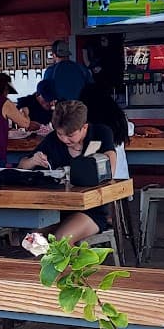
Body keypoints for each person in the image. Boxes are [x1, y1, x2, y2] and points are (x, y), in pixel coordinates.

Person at [20, 99, 118, 243]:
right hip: (57, 209)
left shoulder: (100, 133)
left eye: (70, 135)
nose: (65, 139)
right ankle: (46, 263)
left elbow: (111, 168)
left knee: (61, 240)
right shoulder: (53, 140)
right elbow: (22, 166)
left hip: (91, 209)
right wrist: (33, 160)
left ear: (84, 127)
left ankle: (76, 265)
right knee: (30, 241)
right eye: (60, 134)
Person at [78, 78, 133, 179]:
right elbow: (130, 129)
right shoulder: (118, 116)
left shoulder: (87, 124)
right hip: (122, 180)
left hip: (100, 182)